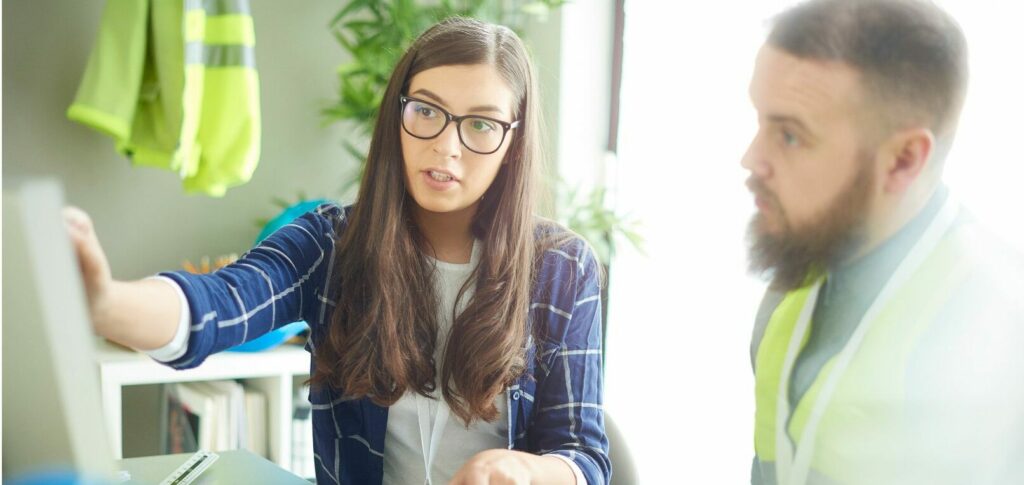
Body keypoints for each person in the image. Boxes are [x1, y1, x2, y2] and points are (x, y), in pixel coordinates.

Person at [65, 17, 609, 485]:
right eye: (427, 111)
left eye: (482, 125)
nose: (447, 146)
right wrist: (106, 303)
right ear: (398, 112)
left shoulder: (562, 268)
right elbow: (221, 301)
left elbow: (583, 456)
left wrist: (529, 471)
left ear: (512, 142)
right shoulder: (332, 244)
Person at [741, 0, 1024, 484]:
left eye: (789, 136)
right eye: (760, 121)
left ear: (903, 161)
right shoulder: (799, 276)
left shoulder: (1002, 330)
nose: (751, 159)